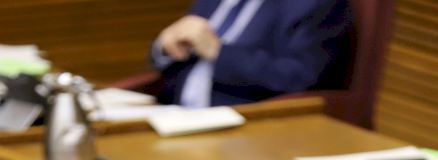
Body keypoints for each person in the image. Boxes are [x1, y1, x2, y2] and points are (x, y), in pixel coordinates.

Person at [149, 0, 352, 108]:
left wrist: (219, 52)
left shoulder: (313, 4)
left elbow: (298, 77)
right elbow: (180, 47)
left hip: (244, 122)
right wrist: (164, 47)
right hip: (171, 112)